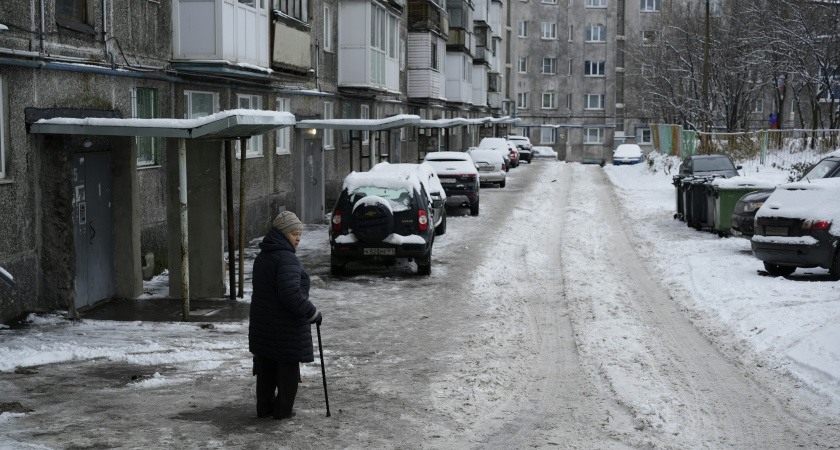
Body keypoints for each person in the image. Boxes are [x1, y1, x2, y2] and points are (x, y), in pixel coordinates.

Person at [249, 211, 322, 420]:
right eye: (293, 233)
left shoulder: (264, 256)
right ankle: (283, 411)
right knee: (288, 369)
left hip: (264, 324)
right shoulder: (286, 259)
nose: (298, 238)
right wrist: (312, 313)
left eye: (300, 233)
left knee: (266, 367)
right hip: (285, 327)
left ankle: (264, 408)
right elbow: (291, 294)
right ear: (282, 235)